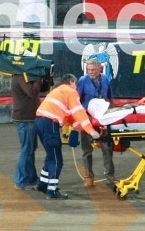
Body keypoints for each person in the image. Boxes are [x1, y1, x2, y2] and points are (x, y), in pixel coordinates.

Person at [35, 74, 100, 199]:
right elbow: (79, 112)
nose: (77, 87)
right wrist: (91, 131)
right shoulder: (71, 92)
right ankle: (51, 191)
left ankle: (42, 184)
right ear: (72, 82)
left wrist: (84, 129)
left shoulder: (58, 92)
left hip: (40, 123)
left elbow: (71, 118)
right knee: (56, 159)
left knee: (51, 155)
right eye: (76, 84)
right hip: (50, 124)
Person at [76, 58, 114, 188]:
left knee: (107, 147)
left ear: (99, 69)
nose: (90, 72)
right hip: (87, 119)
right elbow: (77, 101)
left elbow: (110, 98)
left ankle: (110, 175)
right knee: (87, 149)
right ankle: (88, 175)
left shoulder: (105, 79)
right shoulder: (82, 81)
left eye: (93, 70)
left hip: (103, 118)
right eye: (88, 70)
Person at [12, 72, 45, 190]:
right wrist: (38, 78)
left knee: (30, 149)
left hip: (29, 118)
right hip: (24, 119)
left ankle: (31, 178)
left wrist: (42, 79)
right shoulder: (20, 75)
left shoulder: (25, 75)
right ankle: (20, 181)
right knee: (26, 150)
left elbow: (40, 89)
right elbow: (32, 92)